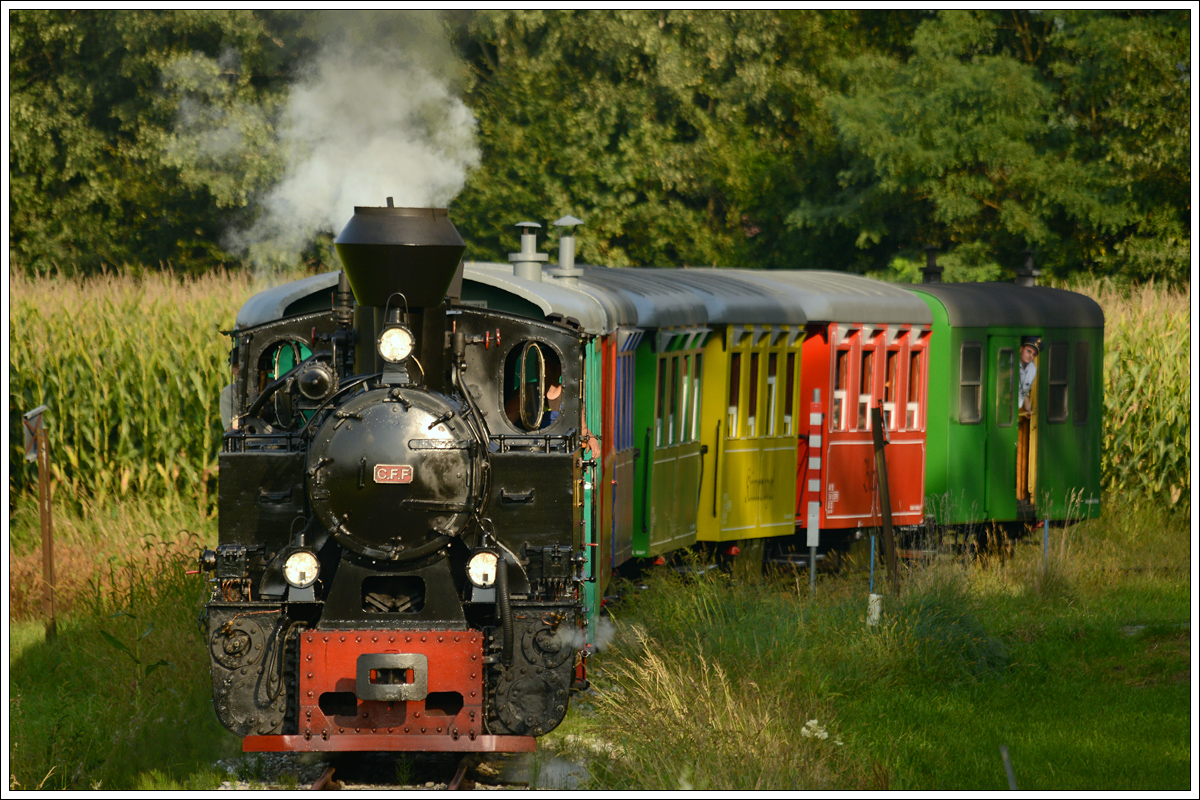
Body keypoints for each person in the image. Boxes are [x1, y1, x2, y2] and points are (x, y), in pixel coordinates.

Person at [1017, 336, 1040, 415]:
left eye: (1034, 354)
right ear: (1021, 349)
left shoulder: (1032, 369)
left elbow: (1024, 392)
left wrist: (1028, 409)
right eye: (1028, 351)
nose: (1031, 356)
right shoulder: (1011, 362)